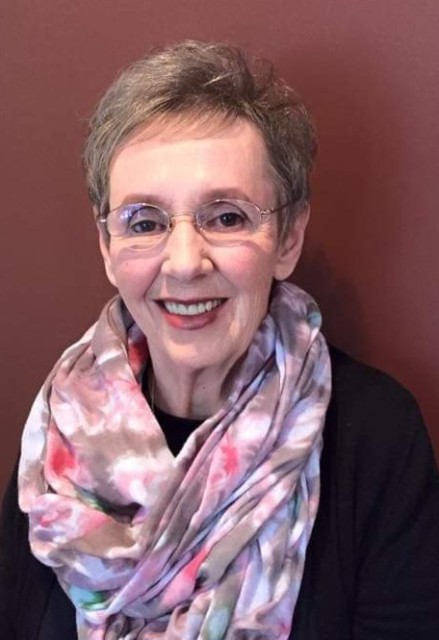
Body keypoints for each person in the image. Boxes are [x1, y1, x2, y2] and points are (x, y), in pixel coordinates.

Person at [1, 40, 438, 640]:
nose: (184, 263)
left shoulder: (374, 436)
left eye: (227, 217)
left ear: (288, 239)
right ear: (107, 248)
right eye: (145, 222)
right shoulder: (62, 428)